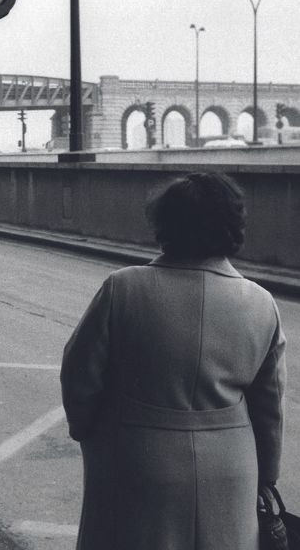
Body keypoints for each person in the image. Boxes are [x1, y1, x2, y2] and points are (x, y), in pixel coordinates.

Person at [61, 171, 286, 550]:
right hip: (230, 469)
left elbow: (79, 377)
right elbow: (270, 407)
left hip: (136, 460)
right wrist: (266, 475)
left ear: (165, 224)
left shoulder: (123, 288)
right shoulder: (261, 303)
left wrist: (89, 432)